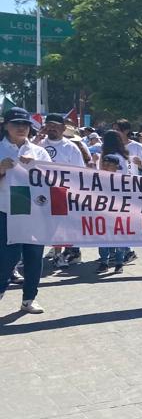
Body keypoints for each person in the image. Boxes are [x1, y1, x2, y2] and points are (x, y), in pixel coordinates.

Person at [0, 108, 50, 313]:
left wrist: (37, 169)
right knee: (7, 257)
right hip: (6, 210)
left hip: (35, 211)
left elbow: (53, 180)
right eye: (16, 123)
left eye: (25, 124)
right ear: (5, 126)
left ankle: (29, 298)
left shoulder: (39, 152)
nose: (21, 128)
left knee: (34, 256)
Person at [41, 114, 87, 268]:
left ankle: (59, 254)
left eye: (55, 125)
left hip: (61, 192)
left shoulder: (71, 147)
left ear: (63, 128)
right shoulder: (38, 144)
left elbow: (79, 172)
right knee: (43, 224)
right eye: (49, 125)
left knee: (59, 225)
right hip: (40, 192)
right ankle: (52, 250)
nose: (52, 128)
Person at [96, 154, 131, 275]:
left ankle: (119, 263)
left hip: (119, 213)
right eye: (104, 164)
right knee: (103, 238)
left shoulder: (123, 180)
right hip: (103, 213)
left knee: (120, 238)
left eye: (109, 165)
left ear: (116, 167)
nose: (106, 167)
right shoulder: (97, 179)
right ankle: (104, 262)